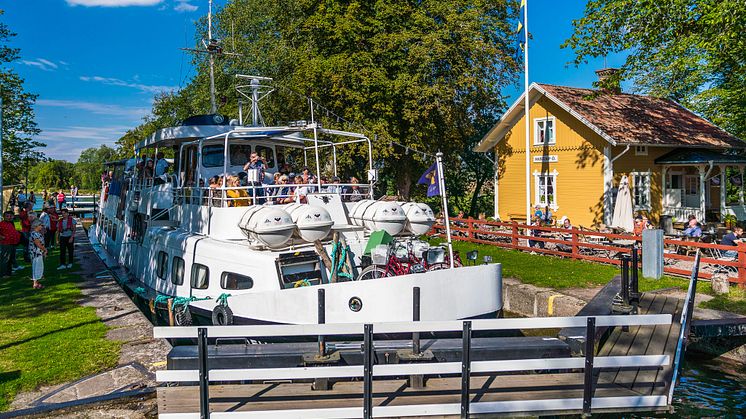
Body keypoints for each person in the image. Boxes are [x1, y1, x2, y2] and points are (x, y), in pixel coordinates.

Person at [0, 211, 21, 277]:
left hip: (13, 243)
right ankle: (3, 274)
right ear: (4, 217)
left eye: (10, 216)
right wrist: (2, 237)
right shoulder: (1, 224)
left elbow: (16, 231)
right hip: (6, 243)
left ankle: (9, 272)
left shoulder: (13, 223)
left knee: (11, 259)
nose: (9, 217)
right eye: (7, 216)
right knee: (5, 259)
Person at [29, 219, 47, 289]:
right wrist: (45, 250)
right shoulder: (34, 233)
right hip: (36, 253)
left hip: (38, 252)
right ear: (36, 226)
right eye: (41, 225)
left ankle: (36, 282)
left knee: (39, 267)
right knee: (36, 267)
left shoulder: (37, 233)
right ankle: (35, 284)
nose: (42, 226)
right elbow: (38, 244)